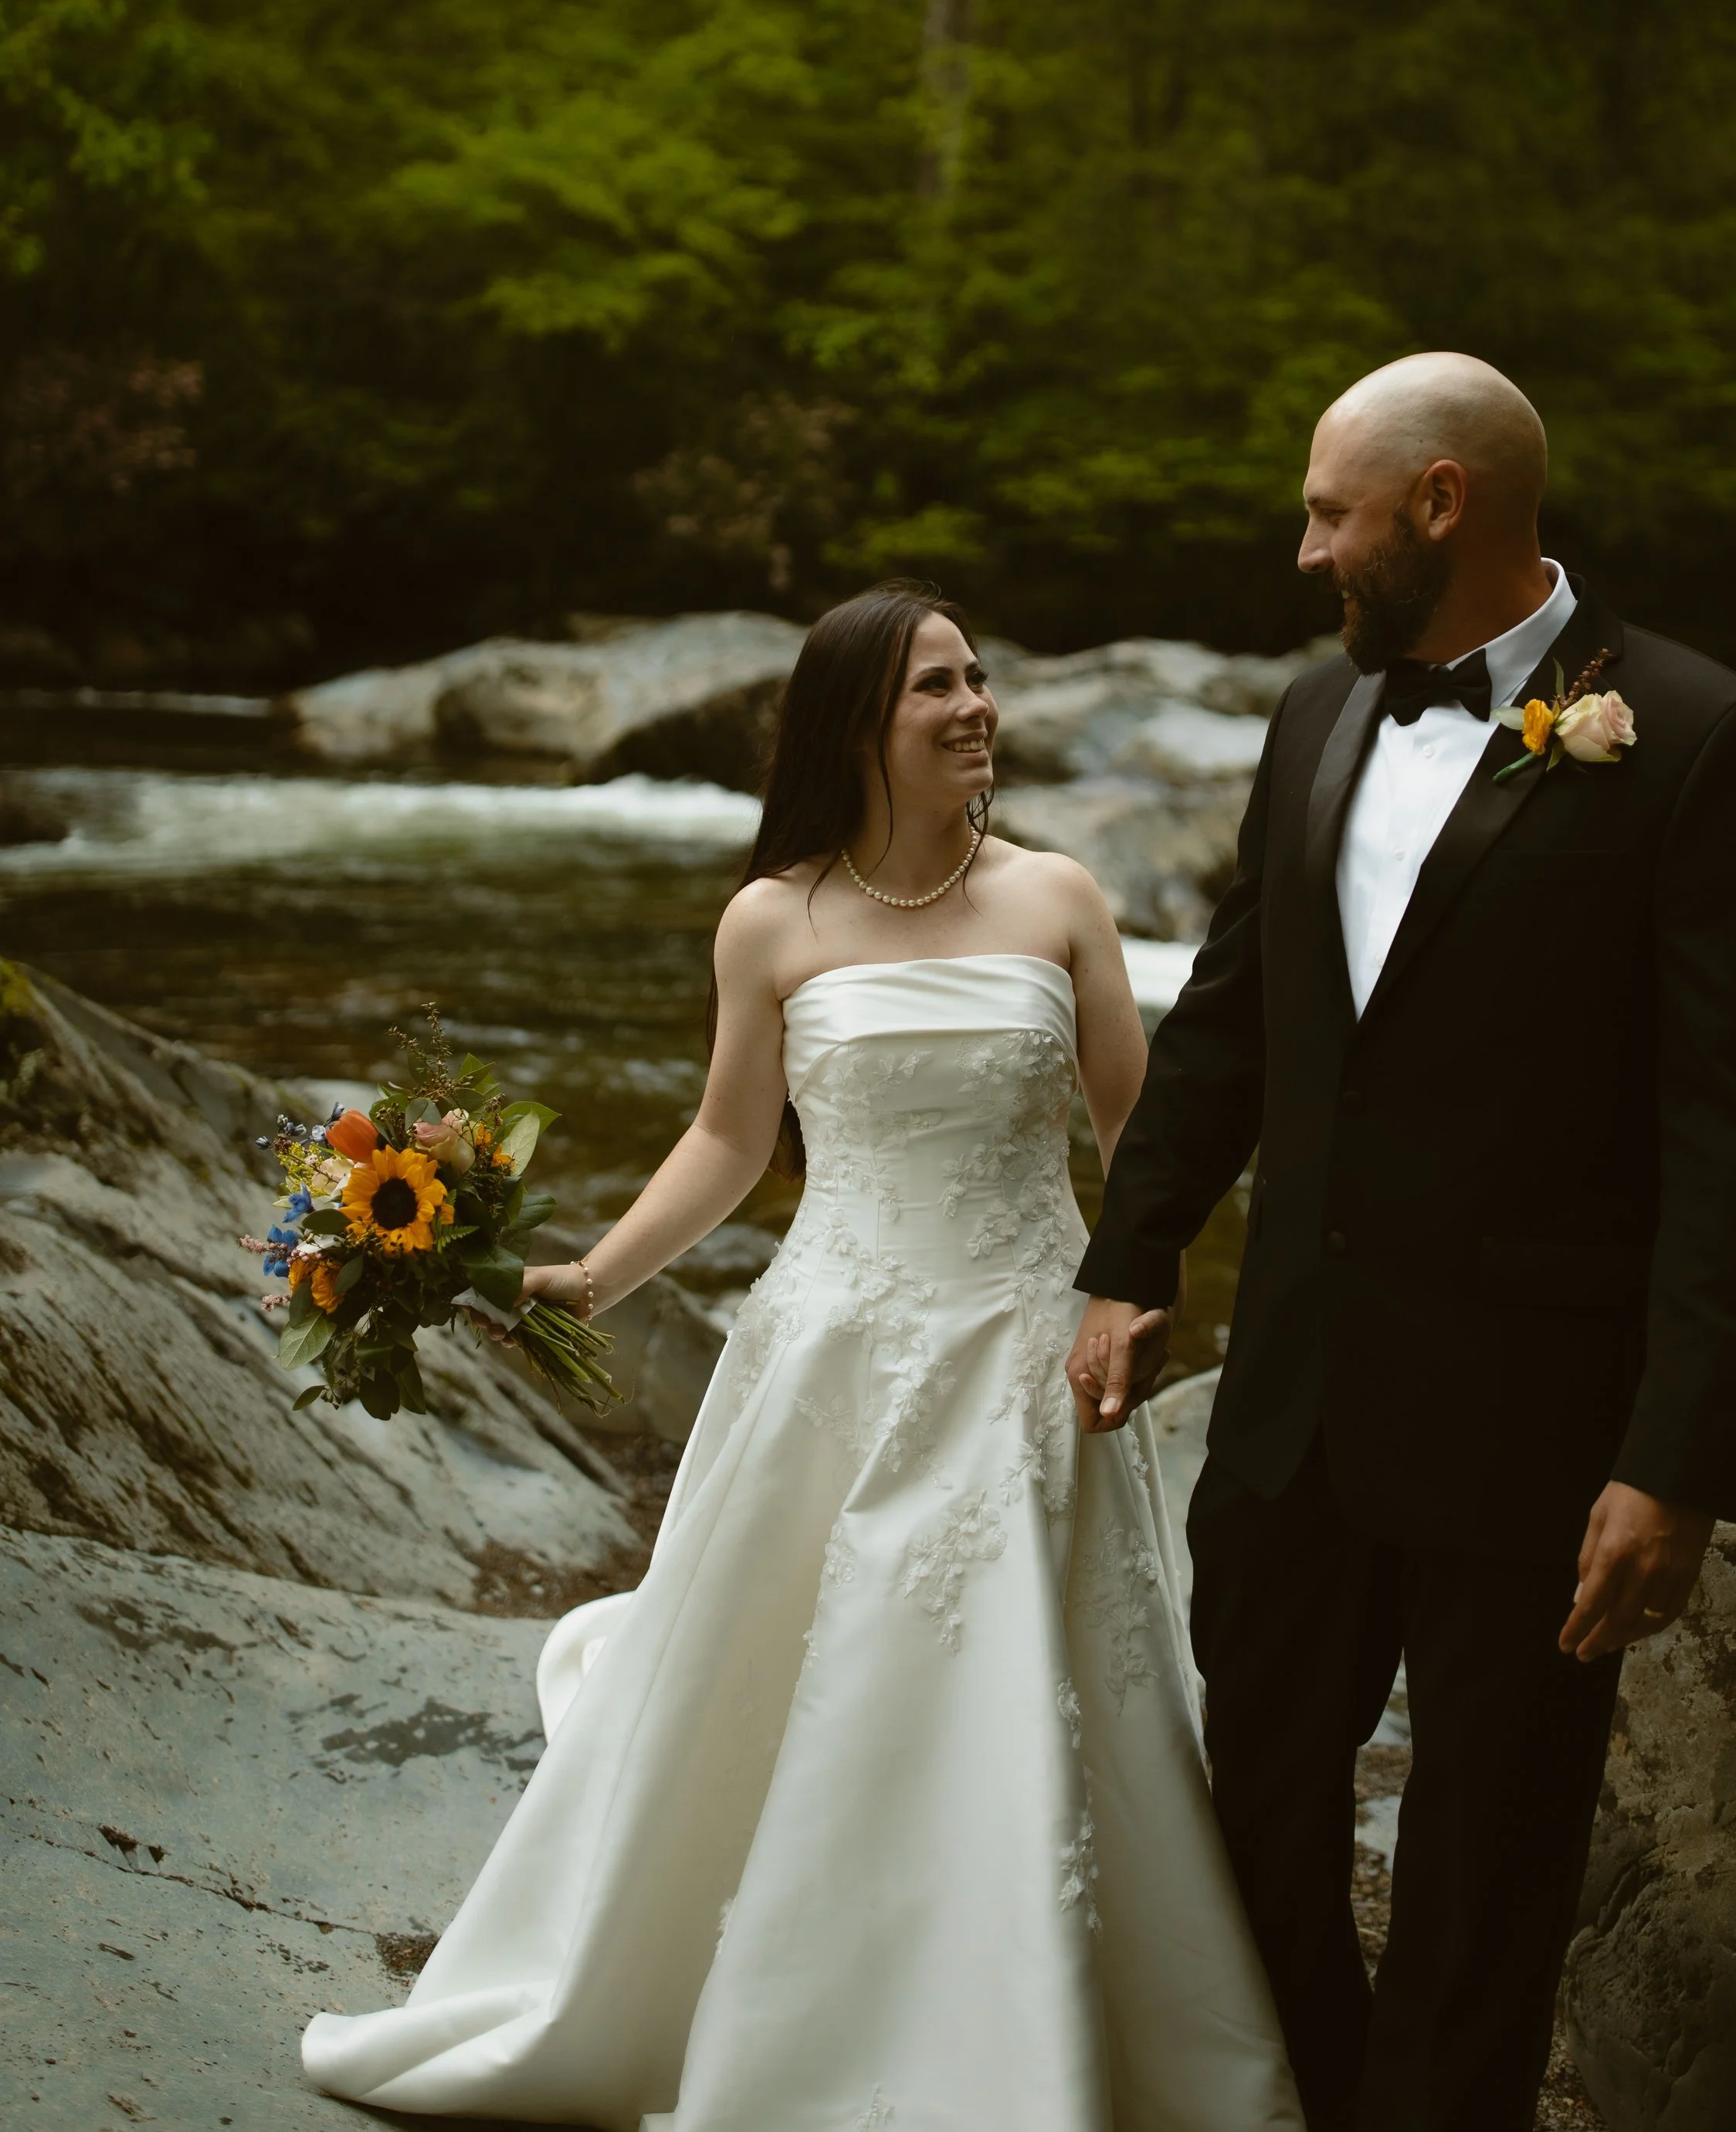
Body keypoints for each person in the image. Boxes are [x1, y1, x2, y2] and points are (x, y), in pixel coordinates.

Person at [303, 579, 1301, 2132]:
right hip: (831, 1342)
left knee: (1003, 1679)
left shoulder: (1060, 900)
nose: (977, 709)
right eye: (936, 688)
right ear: (854, 725)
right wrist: (595, 1274)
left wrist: (1139, 1288)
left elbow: (1144, 1138)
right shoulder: (771, 918)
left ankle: (1021, 2024)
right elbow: (725, 1137)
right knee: (811, 1667)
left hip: (1023, 1346)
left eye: (978, 680)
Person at [1066, 353, 1736, 2132]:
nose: (1303, 552)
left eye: (1328, 514)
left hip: (1537, 1433)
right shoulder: (1311, 718)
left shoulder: (1702, 738)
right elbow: (1236, 1011)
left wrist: (1675, 1458)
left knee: (1485, 1863)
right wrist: (1132, 1252)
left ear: (1439, 504)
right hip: (1297, 1408)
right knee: (1251, 1793)